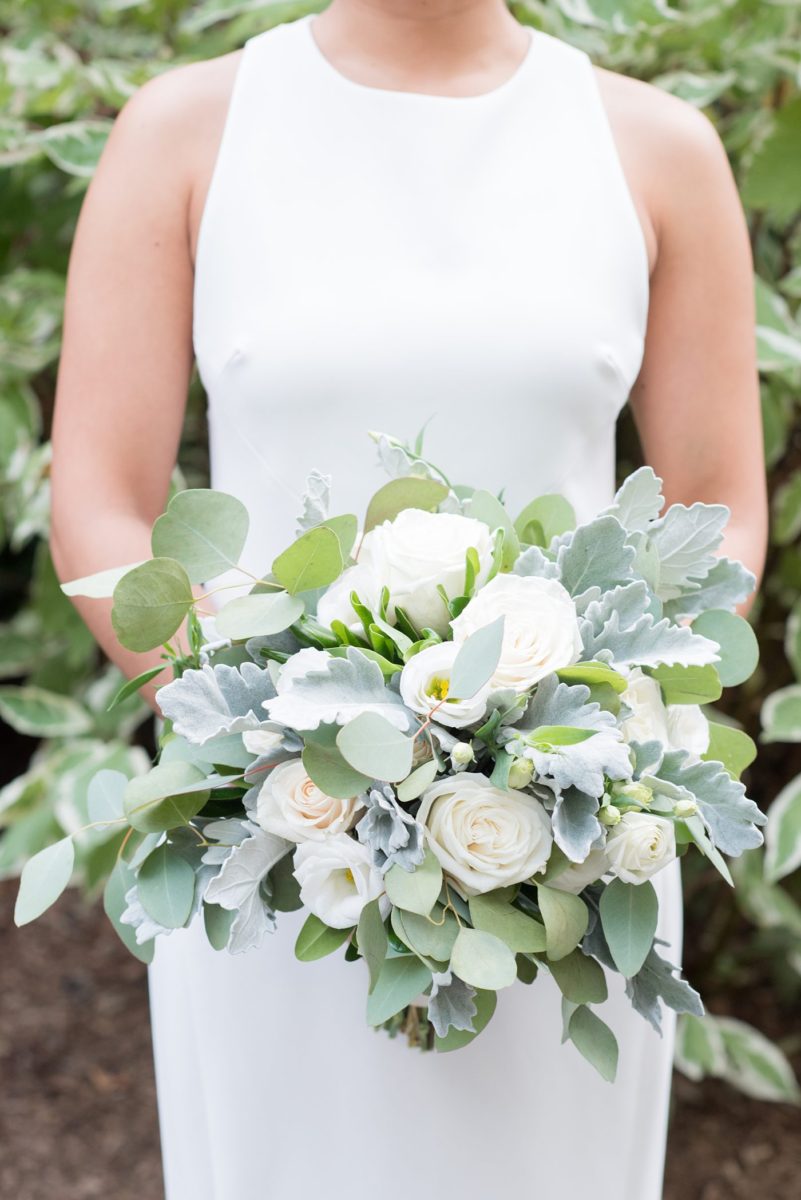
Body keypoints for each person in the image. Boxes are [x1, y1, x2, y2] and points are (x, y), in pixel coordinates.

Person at [49, 2, 768, 1198]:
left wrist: (577, 736)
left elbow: (718, 508)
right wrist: (267, 750)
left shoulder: (658, 149)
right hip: (278, 850)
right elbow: (104, 504)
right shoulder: (182, 135)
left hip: (566, 862)